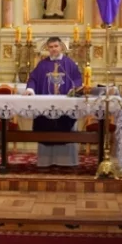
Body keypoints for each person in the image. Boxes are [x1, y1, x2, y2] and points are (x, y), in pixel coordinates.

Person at [24, 37, 83, 167]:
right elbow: (33, 79)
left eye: (56, 46)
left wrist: (75, 88)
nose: (53, 49)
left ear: (61, 47)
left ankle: (66, 161)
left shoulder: (69, 63)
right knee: (46, 127)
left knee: (65, 127)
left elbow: (78, 79)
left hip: (65, 104)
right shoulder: (42, 64)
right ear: (47, 49)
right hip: (46, 104)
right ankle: (46, 161)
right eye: (50, 47)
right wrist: (30, 89)